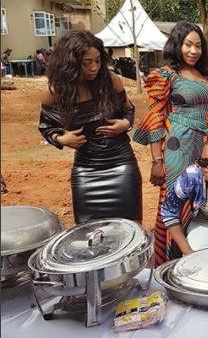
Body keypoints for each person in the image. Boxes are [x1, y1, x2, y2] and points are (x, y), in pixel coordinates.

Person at [133, 21, 208, 264]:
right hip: (177, 145)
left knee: (199, 200)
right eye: (188, 45)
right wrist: (157, 160)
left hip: (204, 144)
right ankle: (167, 262)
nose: (193, 51)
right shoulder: (165, 75)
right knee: (173, 200)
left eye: (198, 46)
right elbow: (155, 119)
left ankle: (194, 257)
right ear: (177, 45)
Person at [38, 30, 142, 223]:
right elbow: (46, 126)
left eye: (97, 61)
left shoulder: (110, 81)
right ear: (70, 63)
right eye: (87, 63)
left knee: (130, 229)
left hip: (121, 166)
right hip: (86, 171)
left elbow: (128, 109)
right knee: (88, 234)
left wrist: (125, 124)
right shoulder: (56, 92)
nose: (94, 67)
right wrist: (63, 139)